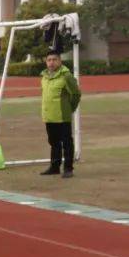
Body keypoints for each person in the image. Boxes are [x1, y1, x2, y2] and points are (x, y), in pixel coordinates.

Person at [40, 50, 81, 179]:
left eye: (54, 59)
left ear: (60, 61)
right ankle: (54, 166)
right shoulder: (44, 77)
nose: (51, 62)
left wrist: (70, 108)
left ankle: (68, 168)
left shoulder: (66, 76)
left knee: (66, 142)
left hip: (62, 116)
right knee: (53, 142)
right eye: (49, 60)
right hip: (49, 116)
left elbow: (76, 94)